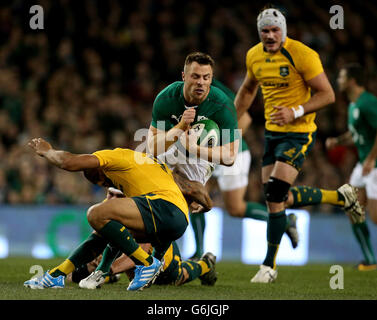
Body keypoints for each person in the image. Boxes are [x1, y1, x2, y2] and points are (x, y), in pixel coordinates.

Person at [235, 6, 363, 283]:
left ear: (284, 30)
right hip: (271, 133)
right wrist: (231, 123)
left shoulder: (302, 54)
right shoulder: (254, 56)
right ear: (259, 33)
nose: (270, 35)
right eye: (265, 31)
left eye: (274, 30)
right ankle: (341, 197)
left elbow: (327, 94)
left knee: (275, 193)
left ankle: (268, 267)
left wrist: (295, 111)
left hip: (298, 132)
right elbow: (247, 89)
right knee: (276, 201)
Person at [23, 137, 207, 291]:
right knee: (102, 234)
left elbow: (69, 162)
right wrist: (206, 205)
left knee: (95, 214)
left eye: (101, 181)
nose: (105, 184)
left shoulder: (113, 157)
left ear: (100, 168)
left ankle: (149, 263)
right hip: (175, 220)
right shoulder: (143, 168)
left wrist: (48, 151)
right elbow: (193, 188)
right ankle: (56, 275)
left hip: (163, 211)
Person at [189, 79, 299, 260]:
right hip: (206, 154)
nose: (199, 80)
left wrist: (221, 146)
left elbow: (245, 119)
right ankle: (199, 251)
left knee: (236, 209)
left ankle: (286, 221)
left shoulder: (217, 90)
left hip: (232, 154)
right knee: (194, 196)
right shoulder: (187, 94)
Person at [325, 63, 377, 271]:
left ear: (353, 80)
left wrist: (372, 159)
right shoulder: (353, 105)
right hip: (363, 165)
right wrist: (338, 141)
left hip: (373, 164)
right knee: (352, 208)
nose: (339, 80)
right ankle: (370, 259)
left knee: (374, 216)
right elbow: (356, 136)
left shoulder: (368, 102)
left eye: (342, 77)